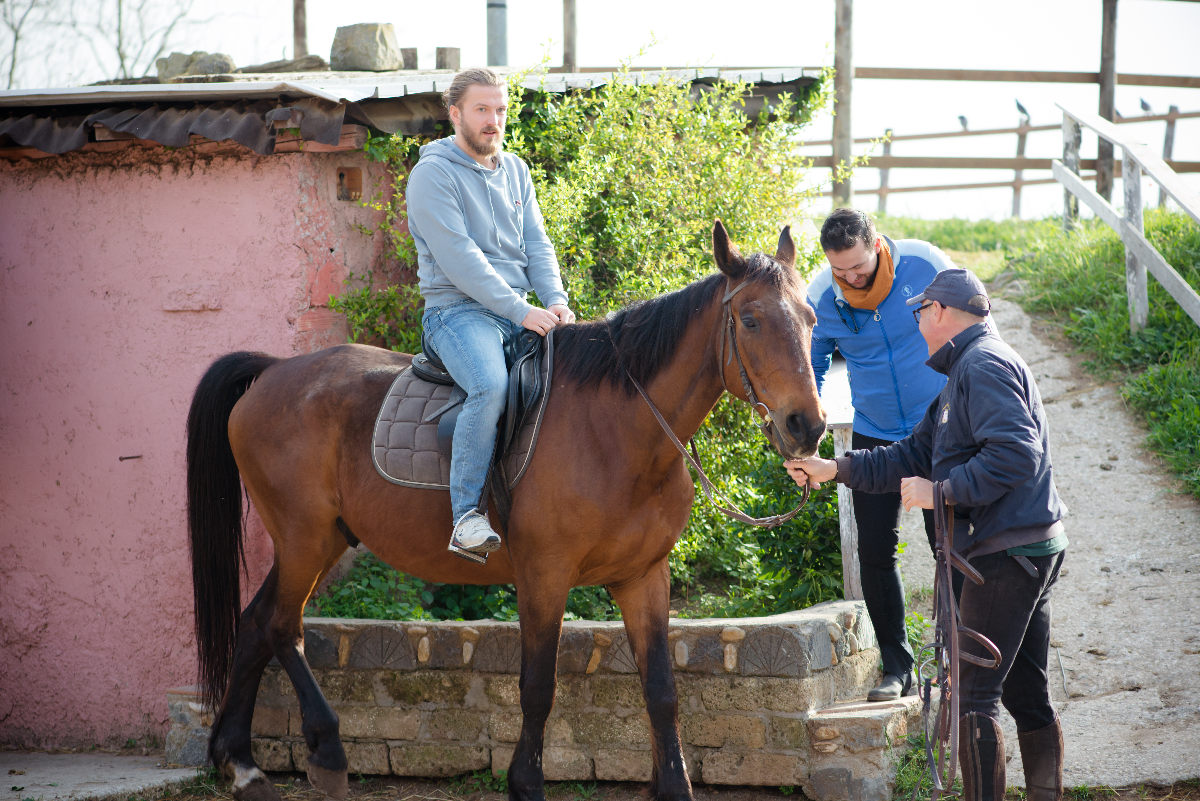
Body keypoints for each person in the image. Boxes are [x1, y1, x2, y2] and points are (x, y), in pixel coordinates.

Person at [786, 268, 1067, 801]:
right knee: (1027, 690)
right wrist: (835, 470)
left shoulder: (981, 366)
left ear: (939, 312)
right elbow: (909, 456)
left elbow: (1016, 456)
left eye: (920, 311)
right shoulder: (968, 370)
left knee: (974, 695)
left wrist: (940, 493)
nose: (915, 320)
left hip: (1006, 553)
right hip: (1025, 545)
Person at [405, 67, 575, 560]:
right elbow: (460, 260)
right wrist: (520, 310)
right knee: (490, 385)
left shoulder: (516, 170)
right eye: (482, 109)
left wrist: (557, 301)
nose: (493, 120)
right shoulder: (432, 174)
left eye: (500, 109)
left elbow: (538, 247)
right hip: (457, 313)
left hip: (518, 309)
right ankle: (466, 518)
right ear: (455, 113)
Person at [808, 208, 955, 701]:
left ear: (876, 244)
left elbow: (974, 324)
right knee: (874, 550)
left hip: (939, 428)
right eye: (840, 270)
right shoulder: (820, 296)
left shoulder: (923, 263)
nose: (850, 278)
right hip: (874, 433)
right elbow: (810, 361)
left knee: (950, 548)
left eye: (858, 267)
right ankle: (897, 668)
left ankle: (957, 661)